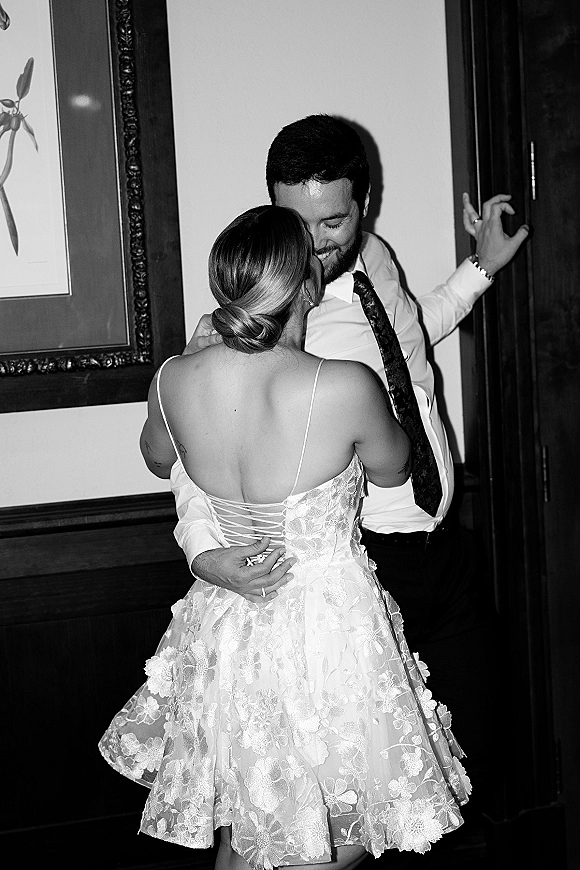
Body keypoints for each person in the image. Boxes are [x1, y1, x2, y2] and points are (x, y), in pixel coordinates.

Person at [99, 205, 471, 870]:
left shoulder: (173, 377)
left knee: (249, 833)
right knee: (331, 843)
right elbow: (394, 469)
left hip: (228, 627)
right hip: (327, 633)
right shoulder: (344, 385)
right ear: (308, 286)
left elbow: (159, 457)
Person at [176, 115, 530, 802]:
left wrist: (481, 268)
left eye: (332, 221)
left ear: (364, 203)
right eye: (296, 223)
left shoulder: (377, 258)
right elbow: (195, 445)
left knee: (474, 763)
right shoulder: (264, 316)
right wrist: (201, 551)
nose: (313, 244)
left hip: (443, 550)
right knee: (366, 797)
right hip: (356, 571)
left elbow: (406, 335)